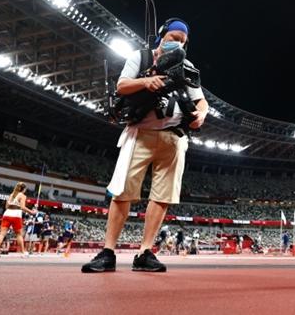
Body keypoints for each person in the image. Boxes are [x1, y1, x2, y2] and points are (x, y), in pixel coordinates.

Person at [82, 19, 208, 273]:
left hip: (174, 137)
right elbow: (122, 85)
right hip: (141, 132)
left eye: (183, 41)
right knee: (123, 191)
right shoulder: (140, 57)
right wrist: (145, 82)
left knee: (162, 196)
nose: (178, 42)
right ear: (161, 36)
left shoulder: (187, 66)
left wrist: (201, 116)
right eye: (173, 36)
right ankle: (108, 251)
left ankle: (145, 252)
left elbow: (201, 101)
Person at [0, 182, 36, 258]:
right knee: (19, 234)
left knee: (2, 234)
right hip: (16, 215)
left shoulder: (11, 195)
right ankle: (23, 253)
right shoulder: (22, 195)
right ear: (24, 189)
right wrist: (32, 212)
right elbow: (22, 207)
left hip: (7, 213)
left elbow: (6, 206)